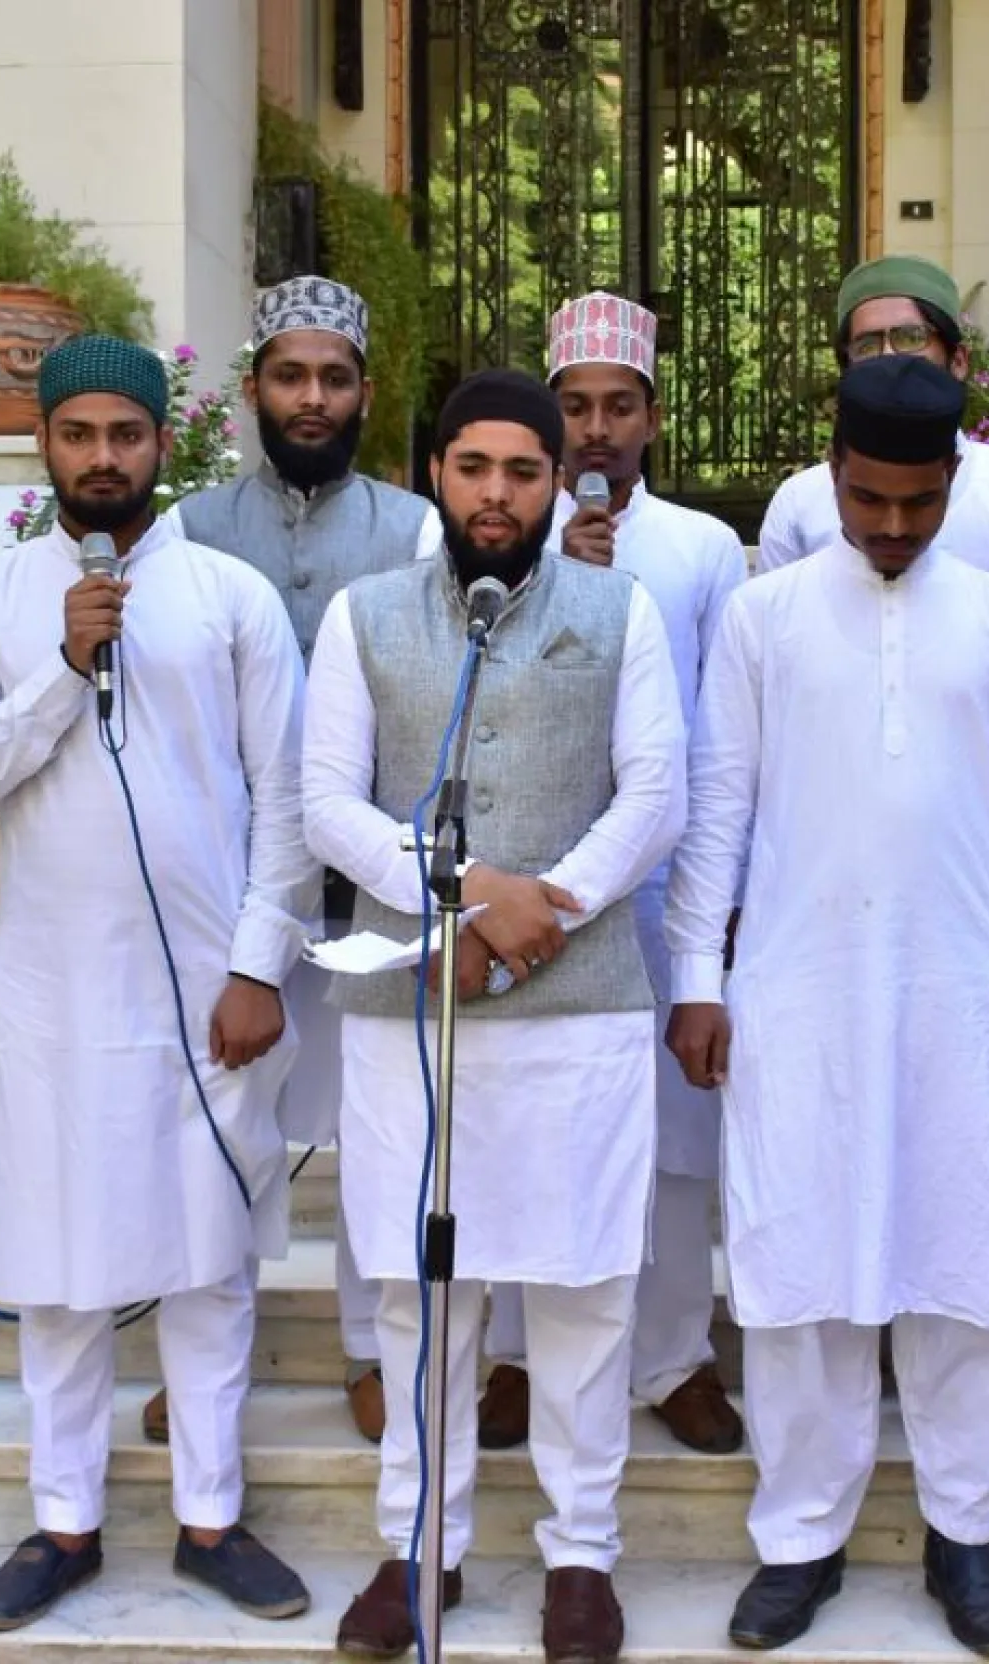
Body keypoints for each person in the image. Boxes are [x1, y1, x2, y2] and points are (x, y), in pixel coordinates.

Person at [0, 335, 320, 1632]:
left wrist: (259, 963)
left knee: (210, 1266)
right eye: (80, 434)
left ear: (163, 443)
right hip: (53, 999)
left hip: (206, 991)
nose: (103, 458)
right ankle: (64, 1523)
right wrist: (61, 668)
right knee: (58, 1271)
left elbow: (287, 797)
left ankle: (211, 1516)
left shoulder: (228, 596)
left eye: (126, 435)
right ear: (45, 442)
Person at [665, 354, 989, 1658]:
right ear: (831, 473)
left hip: (970, 995)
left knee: (970, 1271)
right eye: (869, 499)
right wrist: (700, 979)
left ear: (955, 480)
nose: (893, 526)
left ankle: (966, 1536)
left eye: (920, 502)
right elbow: (717, 810)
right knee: (800, 1278)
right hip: (801, 993)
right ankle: (799, 1542)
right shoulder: (764, 616)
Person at [303, 369, 688, 1662]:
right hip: (413, 1008)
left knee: (583, 1295)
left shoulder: (620, 609)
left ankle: (582, 1557)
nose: (497, 493)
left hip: (579, 1008)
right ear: (434, 472)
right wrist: (468, 894)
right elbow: (327, 801)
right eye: (473, 466)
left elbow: (656, 794)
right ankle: (421, 1544)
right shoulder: (364, 616)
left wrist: (546, 910)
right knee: (423, 1296)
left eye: (523, 471)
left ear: (556, 482)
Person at [138, 275, 441, 1450]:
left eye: (334, 378)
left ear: (365, 391)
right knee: (218, 1118)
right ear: (253, 388)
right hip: (235, 891)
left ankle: (372, 1345)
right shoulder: (188, 530)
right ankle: (199, 1351)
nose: (312, 397)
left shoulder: (414, 528)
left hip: (370, 884)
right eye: (290, 375)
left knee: (378, 1118)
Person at [480, 291, 746, 1458]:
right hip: (530, 883)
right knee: (525, 1119)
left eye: (618, 405)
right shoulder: (501, 537)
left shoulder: (701, 547)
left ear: (652, 416)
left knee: (675, 1139)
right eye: (576, 406)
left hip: (660, 885)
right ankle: (513, 1352)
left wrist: (725, 897)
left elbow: (727, 728)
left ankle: (675, 1355)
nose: (595, 429)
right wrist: (561, 571)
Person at [757, 254, 989, 636]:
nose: (889, 357)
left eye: (911, 338)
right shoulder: (799, 503)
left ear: (958, 361)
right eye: (867, 345)